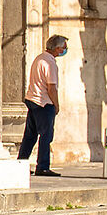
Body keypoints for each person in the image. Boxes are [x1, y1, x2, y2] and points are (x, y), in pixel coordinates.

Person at [17, 35, 66, 176]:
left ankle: (21, 163)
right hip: (44, 102)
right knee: (46, 135)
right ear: (57, 48)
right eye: (64, 48)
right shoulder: (50, 63)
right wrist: (56, 105)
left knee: (30, 135)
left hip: (32, 99)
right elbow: (51, 88)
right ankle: (43, 166)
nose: (64, 50)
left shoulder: (39, 58)